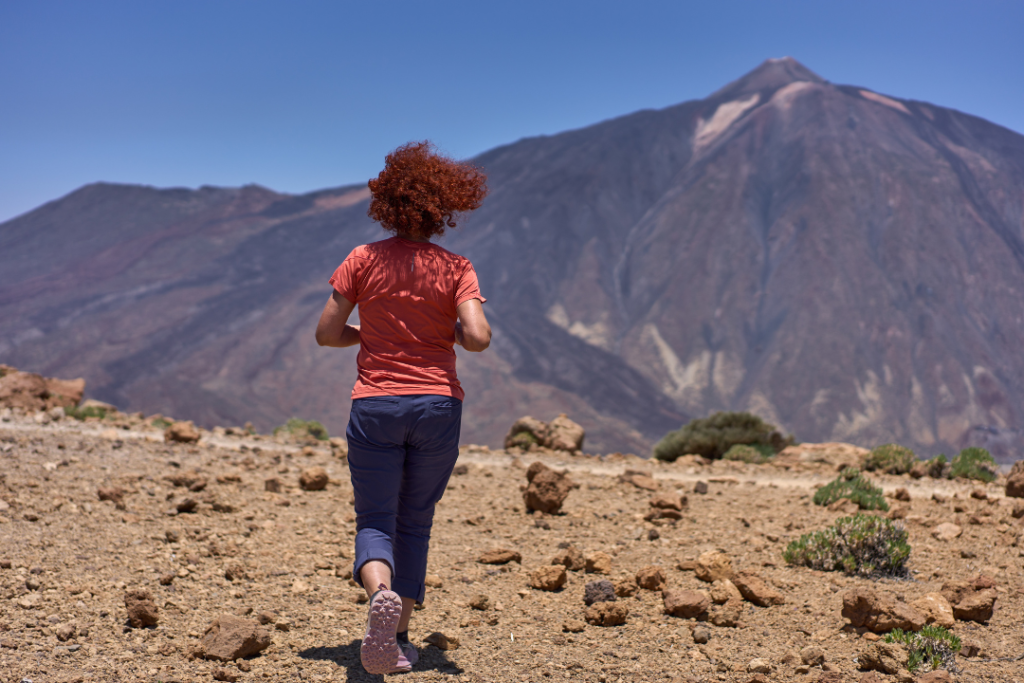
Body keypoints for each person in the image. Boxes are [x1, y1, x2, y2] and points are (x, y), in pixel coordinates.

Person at [315, 141, 491, 675]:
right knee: (415, 520)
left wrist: (370, 335)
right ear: (443, 209)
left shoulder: (362, 259)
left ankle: (379, 596)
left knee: (375, 517)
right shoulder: (456, 267)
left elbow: (326, 334)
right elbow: (478, 338)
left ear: (388, 203)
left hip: (376, 405)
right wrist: (446, 331)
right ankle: (399, 639)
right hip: (437, 406)